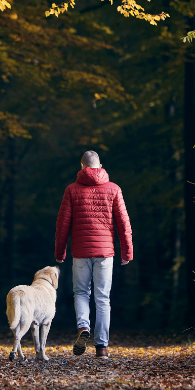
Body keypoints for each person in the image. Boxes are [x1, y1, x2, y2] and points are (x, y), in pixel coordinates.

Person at [54, 150, 133, 359]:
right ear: (100, 166)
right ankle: (102, 348)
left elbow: (63, 224)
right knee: (103, 298)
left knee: (81, 293)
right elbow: (124, 224)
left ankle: (82, 327)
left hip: (80, 251)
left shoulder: (71, 190)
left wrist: (60, 252)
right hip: (106, 252)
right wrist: (127, 251)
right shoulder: (114, 189)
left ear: (82, 167)